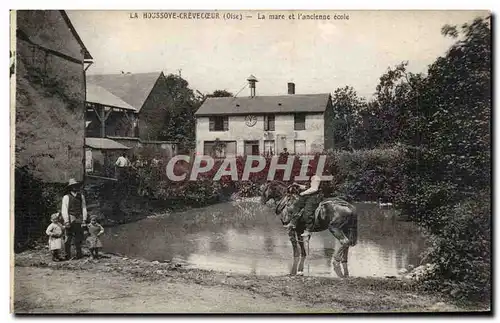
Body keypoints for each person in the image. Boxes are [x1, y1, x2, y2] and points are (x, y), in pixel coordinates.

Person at [284, 164, 322, 237]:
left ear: (310, 170)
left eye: (307, 169)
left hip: (315, 196)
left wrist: (303, 193)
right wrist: (298, 185)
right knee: (296, 204)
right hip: (309, 196)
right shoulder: (309, 178)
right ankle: (293, 222)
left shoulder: (315, 178)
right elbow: (307, 187)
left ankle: (308, 229)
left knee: (308, 210)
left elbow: (314, 189)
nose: (305, 171)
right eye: (304, 170)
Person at [61, 178, 88, 260]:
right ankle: (67, 254)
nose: (75, 187)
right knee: (68, 237)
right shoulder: (66, 197)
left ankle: (79, 254)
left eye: (76, 186)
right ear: (70, 187)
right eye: (73, 186)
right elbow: (64, 209)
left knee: (78, 237)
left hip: (79, 217)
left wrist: (84, 219)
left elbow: (84, 208)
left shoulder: (81, 196)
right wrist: (66, 221)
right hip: (70, 217)